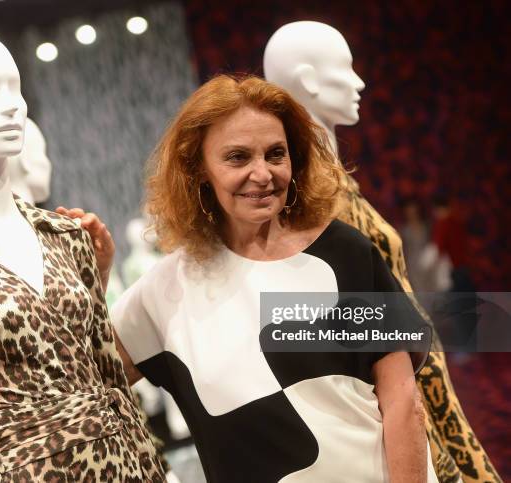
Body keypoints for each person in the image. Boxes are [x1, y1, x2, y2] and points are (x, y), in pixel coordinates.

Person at [58, 75, 437, 482]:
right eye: (237, 158)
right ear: (199, 168)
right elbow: (81, 377)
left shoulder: (345, 254)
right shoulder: (164, 291)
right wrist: (92, 281)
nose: (262, 174)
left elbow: (403, 404)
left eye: (276, 154)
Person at [0, 32, 165, 482]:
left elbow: (110, 382)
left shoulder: (66, 235)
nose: (11, 105)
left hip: (127, 466)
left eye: (15, 87)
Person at [263, 20, 501, 482]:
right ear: (309, 80)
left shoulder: (331, 177)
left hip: (414, 371)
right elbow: (324, 309)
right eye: (346, 70)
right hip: (388, 384)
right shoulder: (306, 188)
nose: (360, 82)